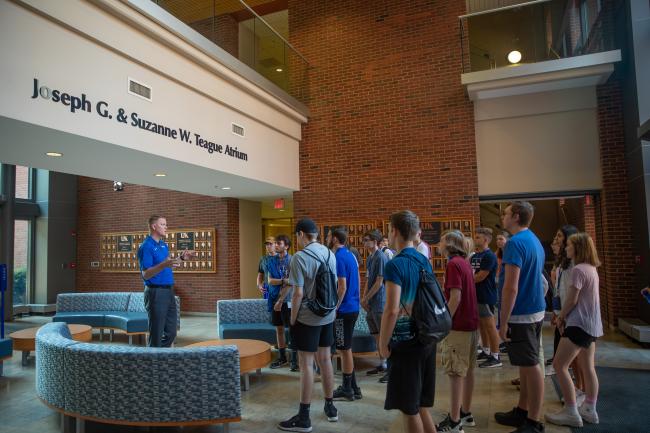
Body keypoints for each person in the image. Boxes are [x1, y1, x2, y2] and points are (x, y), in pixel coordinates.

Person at [379, 210, 437, 433]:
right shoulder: (423, 259)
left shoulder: (395, 264)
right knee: (421, 404)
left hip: (406, 342)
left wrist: (383, 344)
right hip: (426, 337)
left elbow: (392, 310)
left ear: (394, 231)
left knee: (408, 408)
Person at [278, 218, 338, 432]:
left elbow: (298, 294)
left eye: (297, 236)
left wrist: (293, 320)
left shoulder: (300, 258)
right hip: (328, 315)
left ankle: (304, 417)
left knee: (306, 364)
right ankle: (330, 407)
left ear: (301, 234)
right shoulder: (330, 254)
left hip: (307, 317)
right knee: (325, 360)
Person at [494, 202, 546, 433]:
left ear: (515, 216)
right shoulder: (533, 239)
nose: (503, 217)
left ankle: (533, 421)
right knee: (525, 365)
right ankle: (523, 410)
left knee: (531, 365)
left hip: (522, 313)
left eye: (505, 213)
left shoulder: (515, 244)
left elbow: (510, 288)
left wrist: (503, 322)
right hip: (533, 310)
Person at [545, 233, 603, 428]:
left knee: (559, 365)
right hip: (592, 324)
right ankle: (590, 409)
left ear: (577, 248)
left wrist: (561, 317)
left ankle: (571, 411)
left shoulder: (578, 270)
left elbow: (572, 300)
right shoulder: (591, 268)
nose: (565, 248)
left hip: (578, 324)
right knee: (588, 367)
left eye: (568, 245)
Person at [437, 230, 479, 433]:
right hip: (471, 324)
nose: (439, 243)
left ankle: (454, 422)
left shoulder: (453, 263)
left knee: (455, 373)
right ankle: (465, 412)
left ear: (450, 244)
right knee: (467, 371)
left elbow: (455, 298)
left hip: (458, 326)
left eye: (442, 240)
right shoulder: (464, 262)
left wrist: (444, 321)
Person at [137, 215, 194, 347]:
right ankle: (153, 363)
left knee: (171, 333)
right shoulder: (146, 247)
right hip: (155, 293)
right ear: (154, 226)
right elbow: (145, 274)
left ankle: (160, 357)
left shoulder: (163, 245)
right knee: (156, 334)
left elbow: (169, 263)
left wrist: (182, 258)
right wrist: (163, 264)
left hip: (169, 291)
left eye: (166, 224)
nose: (166, 227)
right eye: (163, 224)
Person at [328, 226, 362, 401]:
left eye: (328, 236)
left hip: (344, 310)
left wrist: (335, 308)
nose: (327, 238)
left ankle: (347, 389)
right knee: (345, 348)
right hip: (353, 307)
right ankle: (354, 387)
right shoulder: (350, 255)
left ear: (334, 239)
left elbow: (342, 287)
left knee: (344, 349)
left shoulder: (339, 257)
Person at [547, 227, 579, 384]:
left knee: (577, 359)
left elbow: (571, 294)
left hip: (571, 315)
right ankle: (578, 388)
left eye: (560, 236)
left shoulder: (575, 264)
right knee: (566, 358)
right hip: (562, 311)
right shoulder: (562, 261)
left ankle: (581, 390)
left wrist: (562, 314)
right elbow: (559, 289)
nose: (556, 239)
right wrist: (556, 311)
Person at [361, 229, 389, 378]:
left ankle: (390, 368)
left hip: (379, 302)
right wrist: (364, 297)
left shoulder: (381, 257)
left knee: (384, 336)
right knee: (376, 336)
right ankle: (382, 363)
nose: (364, 243)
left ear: (375, 241)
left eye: (367, 240)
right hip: (371, 303)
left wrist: (366, 298)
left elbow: (379, 282)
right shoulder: (370, 258)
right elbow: (368, 280)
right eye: (364, 240)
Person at [471, 227, 501, 368]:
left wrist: (465, 280)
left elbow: (481, 276)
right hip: (476, 295)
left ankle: (495, 356)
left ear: (486, 240)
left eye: (478, 237)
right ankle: (486, 350)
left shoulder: (489, 256)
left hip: (486, 295)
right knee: (481, 325)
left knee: (490, 326)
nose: (475, 239)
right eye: (475, 237)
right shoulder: (475, 255)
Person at [269, 234, 298, 371]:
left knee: (293, 330)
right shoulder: (272, 260)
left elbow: (292, 283)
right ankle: (282, 358)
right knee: (279, 328)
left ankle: (294, 360)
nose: (275, 245)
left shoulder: (292, 260)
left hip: (289, 301)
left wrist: (281, 300)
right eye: (275, 243)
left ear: (286, 246)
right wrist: (283, 281)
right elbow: (270, 280)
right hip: (275, 298)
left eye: (278, 243)